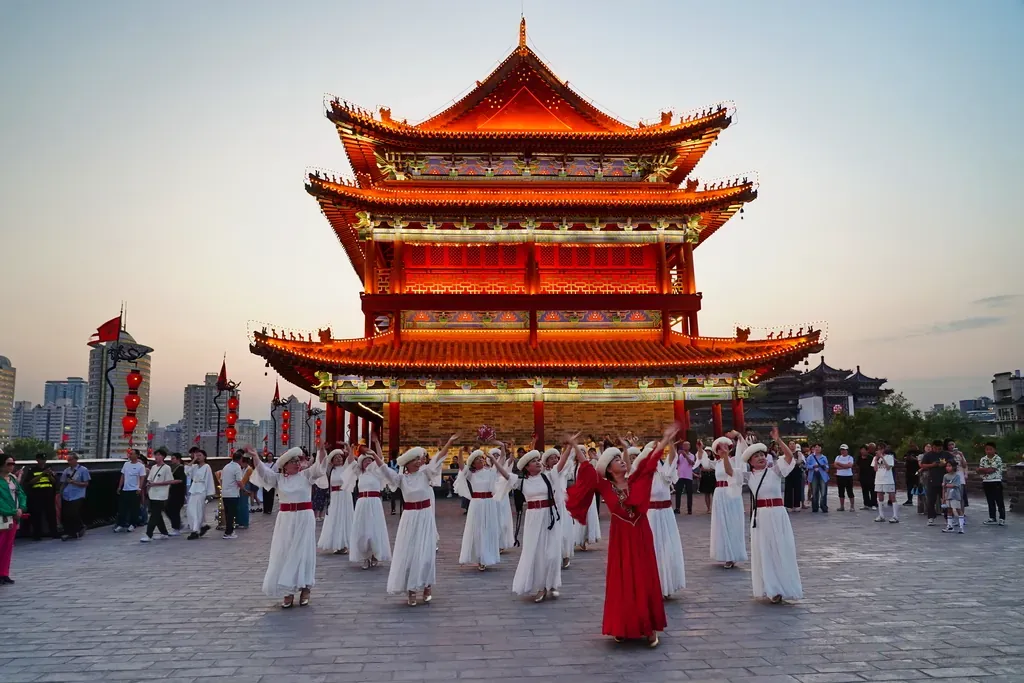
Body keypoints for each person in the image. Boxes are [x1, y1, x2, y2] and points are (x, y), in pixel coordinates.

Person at [567, 425, 678, 647]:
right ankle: (622, 625)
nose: (621, 461)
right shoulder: (604, 485)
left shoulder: (635, 479)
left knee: (645, 577)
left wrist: (665, 440)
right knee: (624, 579)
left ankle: (649, 627)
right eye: (616, 460)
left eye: (621, 458)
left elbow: (649, 463)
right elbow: (587, 468)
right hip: (621, 537)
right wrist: (572, 445)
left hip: (641, 533)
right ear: (609, 469)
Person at [377, 434, 458, 606]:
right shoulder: (401, 479)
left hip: (425, 516)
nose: (418, 462)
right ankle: (411, 590)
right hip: (410, 518)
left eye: (419, 459)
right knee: (410, 552)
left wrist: (449, 442)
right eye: (414, 460)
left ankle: (427, 584)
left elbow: (437, 459)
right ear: (406, 464)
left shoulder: (425, 474)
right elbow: (384, 469)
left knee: (427, 553)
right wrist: (375, 453)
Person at [250, 446, 328, 607]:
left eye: (297, 461)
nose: (296, 464)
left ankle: (306, 587)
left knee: (303, 552)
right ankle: (288, 590)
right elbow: (263, 474)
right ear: (284, 465)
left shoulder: (306, 475)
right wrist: (255, 457)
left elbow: (320, 469)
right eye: (292, 462)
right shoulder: (279, 478)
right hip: (285, 519)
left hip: (304, 517)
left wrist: (321, 452)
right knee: (285, 551)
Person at [742, 427, 803, 604]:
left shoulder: (774, 471)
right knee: (765, 551)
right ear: (751, 462)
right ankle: (772, 589)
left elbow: (789, 457)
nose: (761, 458)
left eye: (762, 454)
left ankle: (784, 585)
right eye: (756, 456)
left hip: (778, 514)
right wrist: (724, 455)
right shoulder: (748, 476)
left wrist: (778, 440)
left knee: (781, 549)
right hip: (761, 517)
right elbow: (731, 474)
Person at [512, 444, 570, 603]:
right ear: (526, 467)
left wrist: (570, 446)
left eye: (538, 460)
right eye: (533, 461)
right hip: (533, 519)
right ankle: (540, 586)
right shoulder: (522, 483)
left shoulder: (548, 476)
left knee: (551, 553)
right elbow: (504, 475)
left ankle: (551, 583)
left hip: (549, 518)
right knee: (536, 553)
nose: (538, 463)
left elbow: (561, 464)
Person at [455, 448, 513, 571]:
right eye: (477, 459)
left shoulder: (490, 471)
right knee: (478, 529)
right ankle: (480, 557)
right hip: (476, 504)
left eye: (481, 458)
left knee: (489, 529)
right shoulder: (471, 474)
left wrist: (494, 457)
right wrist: (460, 452)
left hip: (489, 503)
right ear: (473, 464)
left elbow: (501, 461)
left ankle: (488, 556)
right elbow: (461, 465)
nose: (481, 460)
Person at [644, 440, 685, 598]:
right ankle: (652, 586)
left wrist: (671, 446)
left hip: (666, 514)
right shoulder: (643, 475)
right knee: (653, 549)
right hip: (651, 515)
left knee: (667, 548)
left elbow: (672, 461)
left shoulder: (664, 471)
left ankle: (667, 584)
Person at [349, 438, 392, 569]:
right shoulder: (359, 474)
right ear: (361, 464)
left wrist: (377, 444)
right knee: (363, 530)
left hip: (374, 503)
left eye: (369, 461)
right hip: (362, 503)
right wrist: (351, 450)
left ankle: (375, 554)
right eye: (365, 461)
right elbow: (351, 462)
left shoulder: (377, 473)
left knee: (374, 529)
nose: (368, 462)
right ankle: (365, 556)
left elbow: (380, 458)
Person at [707, 433, 746, 569]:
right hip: (719, 493)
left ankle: (732, 555)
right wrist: (700, 450)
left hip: (731, 493)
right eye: (719, 448)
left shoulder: (735, 460)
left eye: (725, 447)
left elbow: (743, 451)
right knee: (721, 523)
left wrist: (739, 436)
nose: (722, 449)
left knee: (732, 522)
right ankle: (724, 553)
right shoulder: (716, 463)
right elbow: (703, 463)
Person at [318, 448, 355, 554]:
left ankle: (345, 544)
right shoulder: (330, 471)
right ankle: (336, 544)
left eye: (340, 457)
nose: (338, 459)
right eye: (336, 457)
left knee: (345, 517)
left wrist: (349, 449)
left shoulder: (346, 468)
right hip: (334, 496)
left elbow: (351, 460)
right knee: (335, 517)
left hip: (345, 495)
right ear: (332, 461)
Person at [1, 454, 27, 584]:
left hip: (14, 517)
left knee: (8, 546)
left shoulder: (12, 478)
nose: (12, 466)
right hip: (3, 517)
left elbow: (21, 493)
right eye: (9, 464)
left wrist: (21, 508)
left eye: (13, 463)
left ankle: (4, 573)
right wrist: (12, 511)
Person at [141, 447, 174, 542]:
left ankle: (149, 534)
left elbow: (169, 481)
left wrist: (156, 484)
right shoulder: (154, 467)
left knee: (154, 515)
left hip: (161, 494)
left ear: (163, 457)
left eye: (159, 455)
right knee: (157, 514)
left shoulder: (167, 468)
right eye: (156, 455)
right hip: (152, 493)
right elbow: (150, 479)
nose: (157, 457)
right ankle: (164, 533)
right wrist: (149, 486)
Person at [24, 453, 58, 540]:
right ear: (37, 460)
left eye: (44, 459)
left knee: (51, 515)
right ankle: (37, 535)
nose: (43, 461)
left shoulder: (50, 469)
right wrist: (42, 474)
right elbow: (30, 482)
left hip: (48, 496)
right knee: (36, 516)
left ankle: (54, 533)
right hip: (36, 496)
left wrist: (50, 475)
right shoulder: (32, 470)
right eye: (41, 459)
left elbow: (54, 482)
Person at [185, 449, 215, 539]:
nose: (198, 457)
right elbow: (187, 471)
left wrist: (210, 493)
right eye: (196, 456)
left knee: (197, 510)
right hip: (194, 488)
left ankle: (195, 530)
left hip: (202, 489)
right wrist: (193, 460)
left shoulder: (207, 467)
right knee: (190, 509)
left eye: (200, 455)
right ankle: (202, 525)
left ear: (204, 457)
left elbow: (209, 479)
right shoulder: (195, 467)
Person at [59, 453, 90, 540]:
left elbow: (86, 483)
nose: (69, 462)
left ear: (76, 460)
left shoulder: (83, 470)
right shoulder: (66, 471)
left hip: (78, 494)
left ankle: (78, 528)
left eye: (71, 459)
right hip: (67, 495)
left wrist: (74, 482)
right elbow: (63, 482)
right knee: (66, 514)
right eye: (68, 460)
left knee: (73, 512)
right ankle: (69, 532)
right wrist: (60, 493)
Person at [114, 449, 146, 533]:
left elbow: (142, 478)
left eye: (132, 454)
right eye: (129, 454)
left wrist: (139, 488)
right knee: (122, 508)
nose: (130, 455)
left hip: (135, 490)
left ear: (137, 455)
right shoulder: (126, 464)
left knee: (134, 508)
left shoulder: (141, 466)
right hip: (125, 489)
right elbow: (123, 476)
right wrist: (119, 487)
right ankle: (121, 524)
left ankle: (133, 524)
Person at [920, 440, 950, 526]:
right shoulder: (928, 455)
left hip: (944, 480)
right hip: (932, 480)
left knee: (945, 500)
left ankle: (948, 517)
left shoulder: (946, 454)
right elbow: (922, 465)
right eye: (936, 448)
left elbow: (953, 462)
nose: (937, 450)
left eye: (939, 448)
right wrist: (933, 465)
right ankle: (931, 517)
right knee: (931, 500)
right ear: (933, 447)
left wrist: (945, 464)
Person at [978, 442, 1006, 526]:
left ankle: (1002, 518)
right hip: (986, 481)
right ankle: (992, 517)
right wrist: (983, 470)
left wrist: (983, 470)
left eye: (991, 449)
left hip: (996, 481)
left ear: (994, 450)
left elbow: (991, 470)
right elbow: (979, 470)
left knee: (999, 500)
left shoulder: (997, 458)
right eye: (987, 449)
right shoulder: (983, 459)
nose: (988, 451)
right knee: (990, 500)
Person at [220, 450, 245, 539]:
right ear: (240, 459)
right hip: (233, 494)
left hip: (225, 494)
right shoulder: (237, 467)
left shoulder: (226, 467)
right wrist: (244, 489)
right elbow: (239, 481)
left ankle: (229, 530)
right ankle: (228, 532)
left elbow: (221, 479)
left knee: (227, 514)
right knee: (231, 514)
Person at [872, 443, 899, 523]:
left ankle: (895, 516)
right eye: (878, 449)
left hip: (888, 480)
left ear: (884, 449)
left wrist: (882, 457)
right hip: (879, 480)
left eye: (881, 449)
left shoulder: (890, 457)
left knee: (892, 497)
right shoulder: (875, 458)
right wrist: (876, 459)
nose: (879, 450)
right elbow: (875, 469)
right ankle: (881, 515)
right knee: (879, 497)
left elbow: (888, 467)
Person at [941, 461, 965, 534]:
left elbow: (955, 485)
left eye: (950, 466)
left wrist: (946, 485)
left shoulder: (957, 476)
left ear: (954, 467)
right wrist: (943, 498)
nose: (948, 467)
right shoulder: (945, 476)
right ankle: (950, 526)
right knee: (949, 510)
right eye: (947, 466)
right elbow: (943, 488)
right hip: (948, 495)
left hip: (955, 495)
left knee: (958, 509)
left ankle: (961, 527)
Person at [673, 440, 696, 515]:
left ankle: (689, 509)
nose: (685, 447)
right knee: (678, 492)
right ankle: (677, 508)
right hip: (680, 476)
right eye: (684, 445)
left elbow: (691, 463)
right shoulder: (679, 455)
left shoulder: (692, 455)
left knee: (689, 493)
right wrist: (677, 454)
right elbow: (677, 462)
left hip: (688, 477)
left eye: (687, 445)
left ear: (689, 447)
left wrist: (685, 455)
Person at [166, 453, 187, 533]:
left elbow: (182, 480)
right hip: (172, 491)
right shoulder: (172, 468)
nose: (172, 460)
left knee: (175, 510)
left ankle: (176, 528)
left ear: (178, 459)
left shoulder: (181, 468)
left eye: (173, 458)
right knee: (168, 508)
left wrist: (172, 481)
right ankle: (178, 524)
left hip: (179, 492)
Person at [805, 444, 829, 513]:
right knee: (815, 492)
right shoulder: (810, 457)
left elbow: (827, 466)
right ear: (814, 449)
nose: (817, 448)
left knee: (823, 492)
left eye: (819, 447)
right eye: (816, 447)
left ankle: (823, 506)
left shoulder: (824, 457)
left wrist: (826, 468)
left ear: (821, 449)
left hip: (822, 475)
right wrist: (813, 466)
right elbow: (806, 466)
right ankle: (815, 507)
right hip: (813, 475)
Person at [833, 445, 855, 512]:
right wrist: (844, 466)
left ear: (847, 450)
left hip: (848, 476)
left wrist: (840, 464)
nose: (843, 451)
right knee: (841, 491)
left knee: (850, 491)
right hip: (840, 476)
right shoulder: (838, 457)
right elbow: (835, 465)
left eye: (844, 450)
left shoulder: (850, 458)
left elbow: (850, 465)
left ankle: (852, 506)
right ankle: (842, 506)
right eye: (841, 450)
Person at [783, 443, 805, 511]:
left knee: (797, 488)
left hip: (797, 472)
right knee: (788, 489)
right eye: (790, 444)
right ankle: (788, 505)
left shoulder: (799, 453)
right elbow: (784, 461)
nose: (792, 445)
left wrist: (792, 462)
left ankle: (797, 505)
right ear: (788, 445)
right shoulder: (786, 453)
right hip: (788, 472)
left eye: (793, 444)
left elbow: (799, 461)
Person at [857, 446, 876, 511]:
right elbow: (858, 466)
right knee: (864, 491)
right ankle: (866, 504)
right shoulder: (859, 458)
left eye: (864, 450)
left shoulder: (871, 458)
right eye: (861, 450)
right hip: (862, 476)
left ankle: (874, 504)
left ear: (867, 451)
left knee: (872, 491)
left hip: (871, 476)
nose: (862, 451)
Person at [697, 446, 716, 513]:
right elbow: (701, 468)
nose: (707, 452)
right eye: (706, 451)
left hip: (713, 477)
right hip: (705, 477)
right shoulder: (702, 459)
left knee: (715, 493)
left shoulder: (715, 459)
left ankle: (715, 508)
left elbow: (715, 467)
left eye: (709, 451)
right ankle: (708, 508)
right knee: (706, 493)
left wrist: (709, 469)